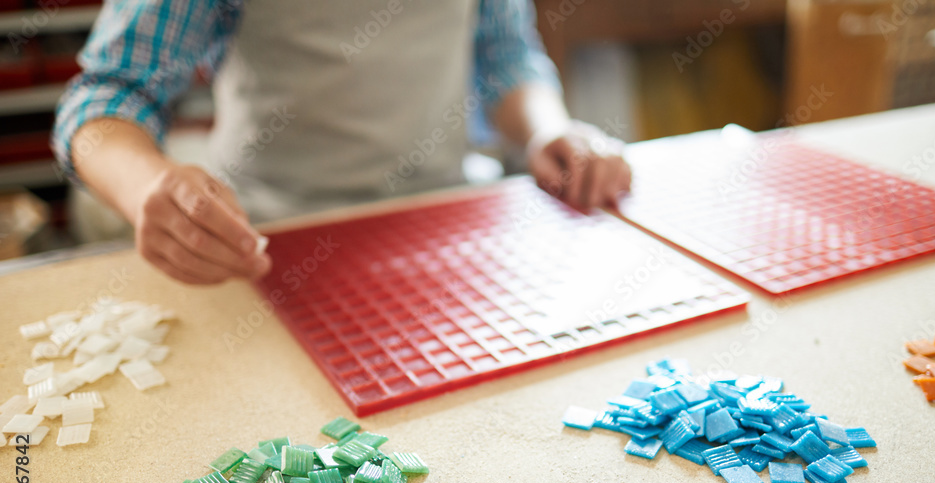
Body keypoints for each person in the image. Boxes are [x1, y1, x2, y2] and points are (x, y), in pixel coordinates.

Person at [53, 0, 632, 285]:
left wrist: (547, 128)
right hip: (266, 244)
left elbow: (505, 56)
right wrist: (146, 185)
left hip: (445, 231)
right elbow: (107, 96)